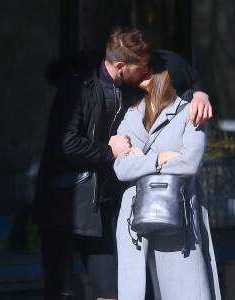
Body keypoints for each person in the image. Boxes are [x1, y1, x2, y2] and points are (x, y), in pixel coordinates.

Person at [33, 27, 213, 300]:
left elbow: (167, 87)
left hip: (102, 211)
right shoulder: (79, 86)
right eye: (142, 66)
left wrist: (198, 95)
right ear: (121, 66)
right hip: (64, 208)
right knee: (60, 293)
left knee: (111, 293)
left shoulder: (128, 89)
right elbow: (62, 143)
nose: (146, 71)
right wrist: (109, 151)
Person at [113, 66, 221, 299]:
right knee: (138, 290)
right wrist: (162, 158)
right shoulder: (131, 114)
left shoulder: (190, 112)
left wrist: (141, 164)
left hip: (178, 221)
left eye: (149, 71)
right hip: (135, 227)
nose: (141, 75)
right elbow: (121, 168)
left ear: (165, 77)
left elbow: (189, 164)